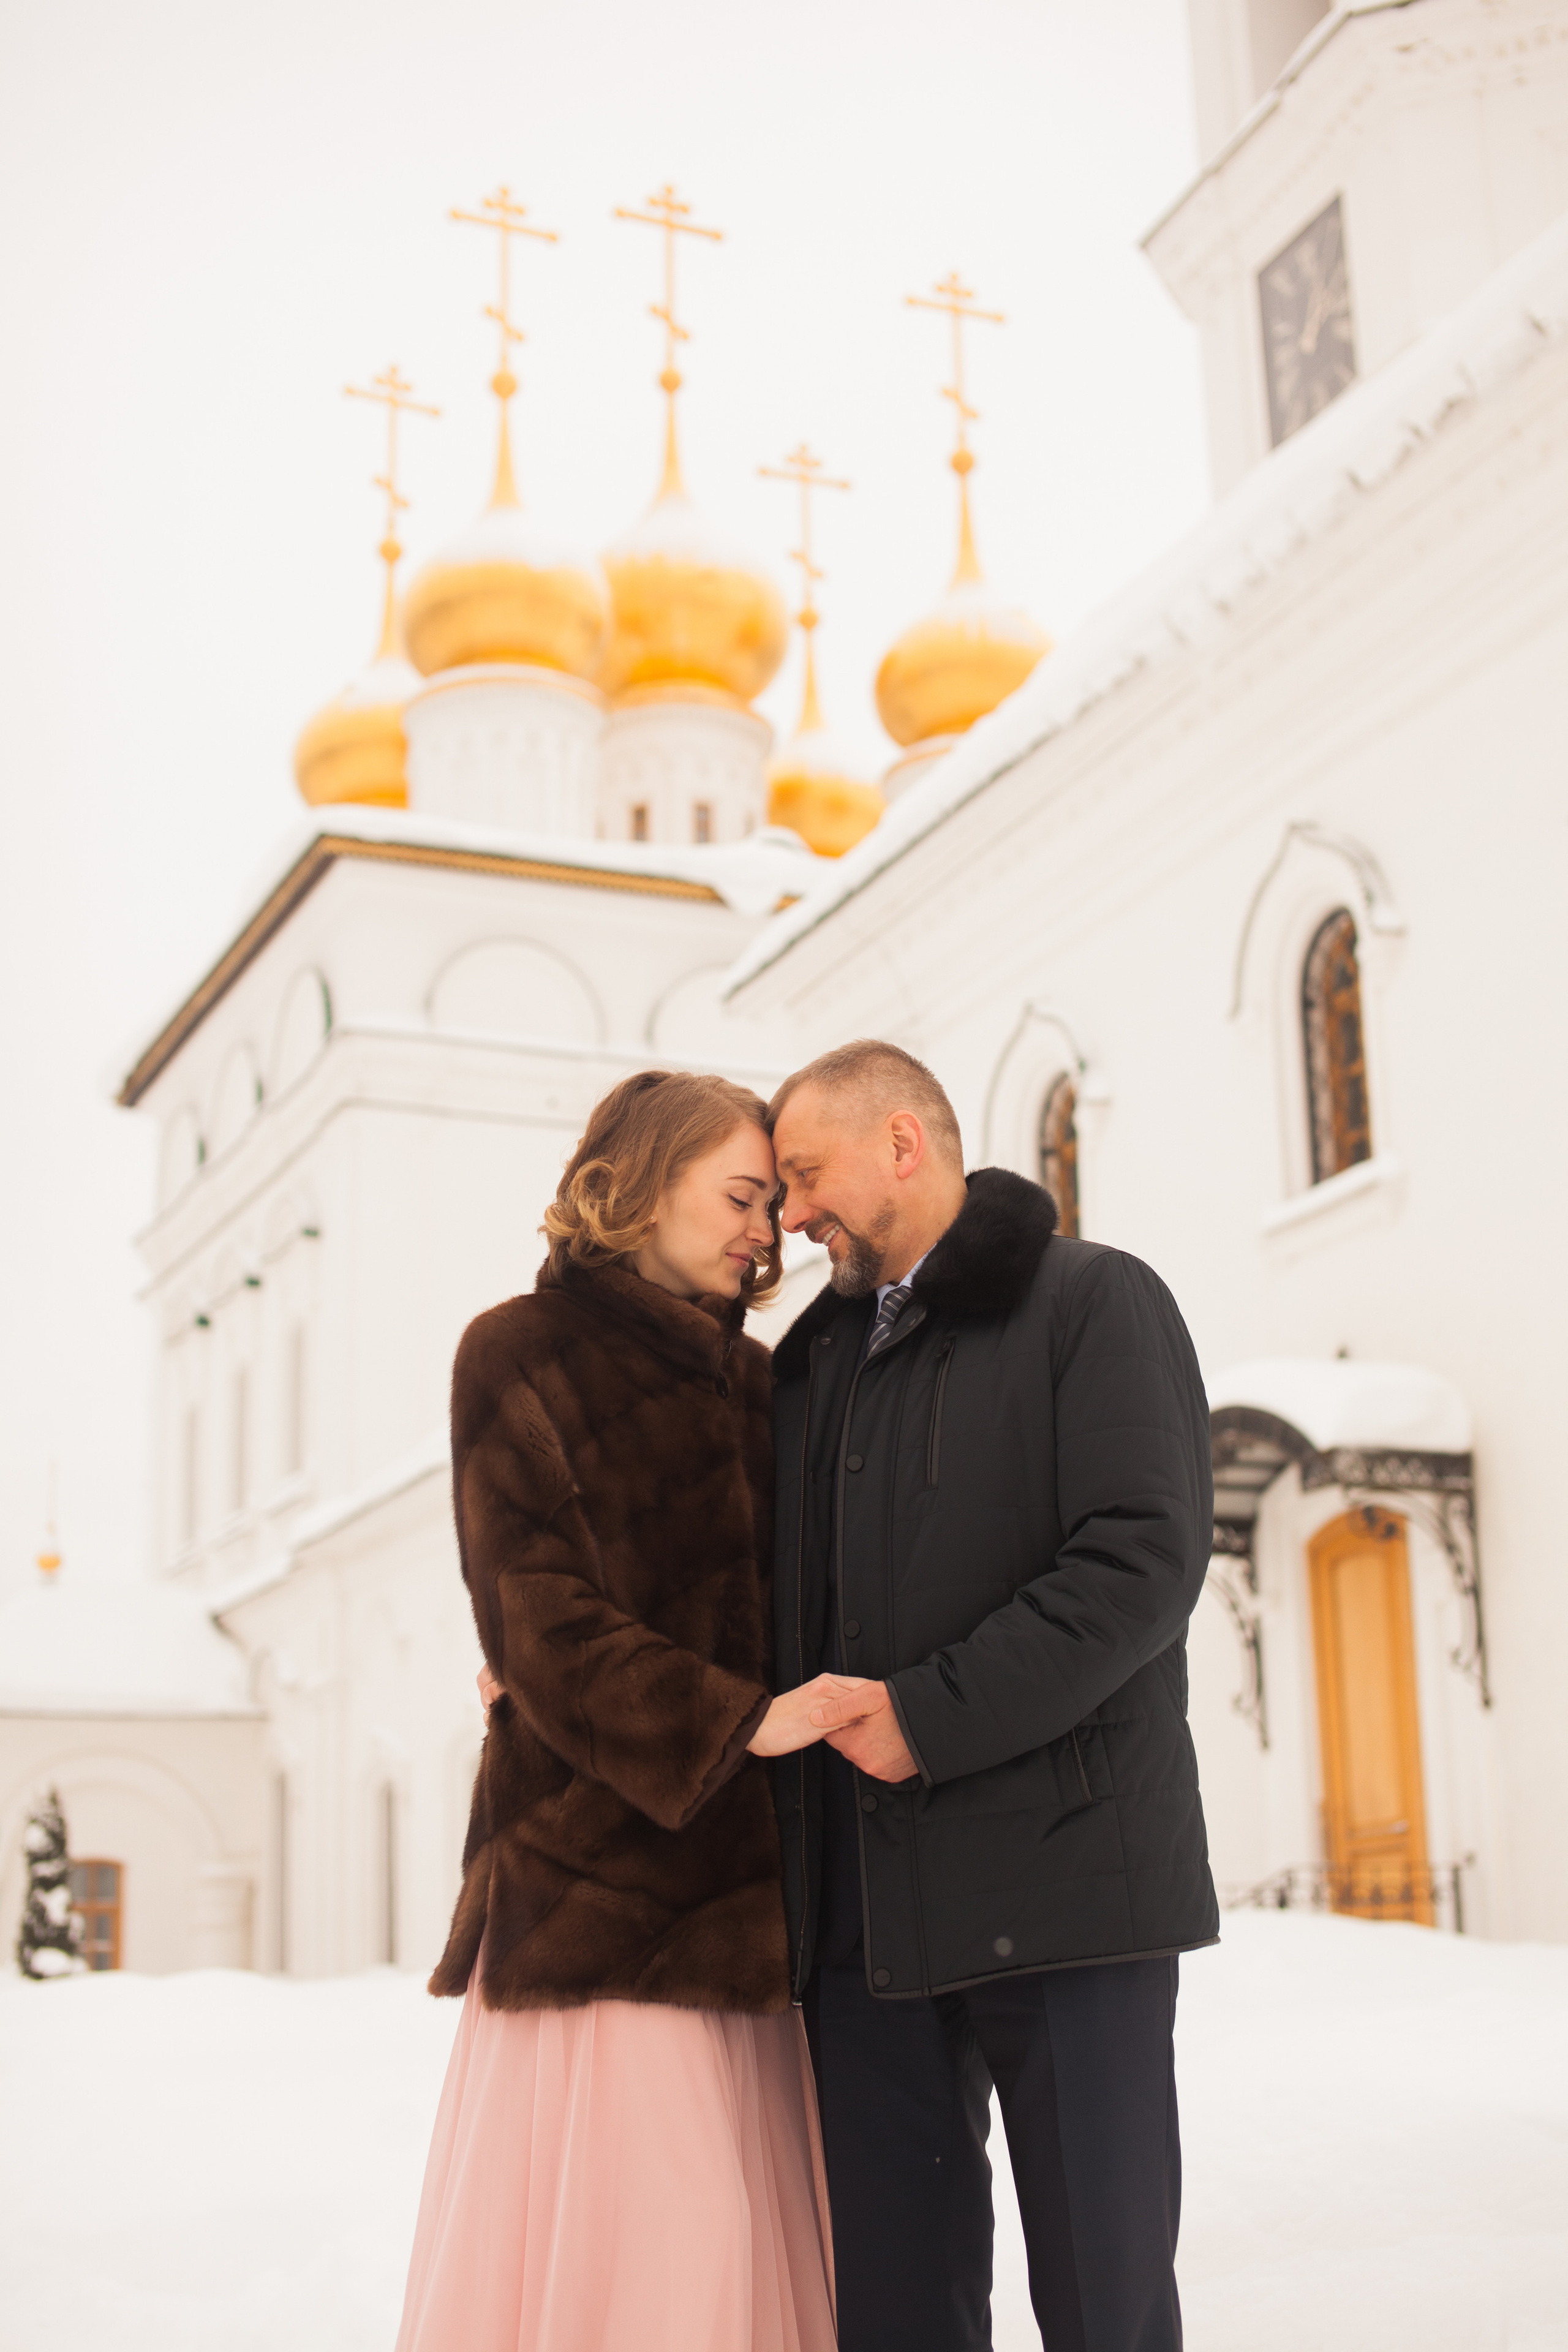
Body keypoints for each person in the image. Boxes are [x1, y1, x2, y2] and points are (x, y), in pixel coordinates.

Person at [396, 1069, 862, 2352]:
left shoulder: (767, 1384)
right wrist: (737, 1720)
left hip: (750, 1911)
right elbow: (534, 1614)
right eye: (740, 1195)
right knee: (649, 2261)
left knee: (736, 2270)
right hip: (594, 1898)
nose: (764, 1231)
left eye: (772, 1204)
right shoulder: (516, 1350)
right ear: (642, 1180)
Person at [766, 1039, 1218, 2352]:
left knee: (1102, 2306)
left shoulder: (1093, 1303)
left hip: (1069, 1897)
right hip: (864, 1926)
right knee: (895, 2314)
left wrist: (927, 1715)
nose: (792, 1215)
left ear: (902, 1142)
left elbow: (1139, 1563)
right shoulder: (810, 1369)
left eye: (805, 1175)